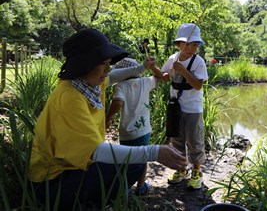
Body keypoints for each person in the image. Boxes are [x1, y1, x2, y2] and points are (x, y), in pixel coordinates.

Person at [28, 28, 187, 210]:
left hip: (74, 165)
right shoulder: (70, 96)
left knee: (134, 164)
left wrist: (142, 67)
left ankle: (94, 202)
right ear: (84, 64)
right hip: (52, 181)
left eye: (109, 63)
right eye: (104, 63)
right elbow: (95, 151)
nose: (108, 69)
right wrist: (155, 152)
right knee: (134, 162)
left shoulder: (87, 83)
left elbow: (114, 76)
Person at [105, 57, 164, 196]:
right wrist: (153, 67)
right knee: (142, 158)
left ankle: (125, 187)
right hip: (144, 129)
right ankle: (141, 186)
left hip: (128, 131)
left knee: (127, 159)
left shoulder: (120, 86)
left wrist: (107, 117)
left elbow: (118, 103)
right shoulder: (145, 82)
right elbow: (161, 77)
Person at [161, 23, 208, 190]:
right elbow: (165, 76)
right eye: (189, 44)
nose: (193, 48)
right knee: (177, 139)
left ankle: (196, 172)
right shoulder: (173, 58)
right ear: (179, 44)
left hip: (193, 108)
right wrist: (154, 69)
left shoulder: (198, 62)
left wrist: (183, 70)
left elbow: (198, 85)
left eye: (196, 44)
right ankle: (181, 169)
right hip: (176, 106)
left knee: (194, 140)